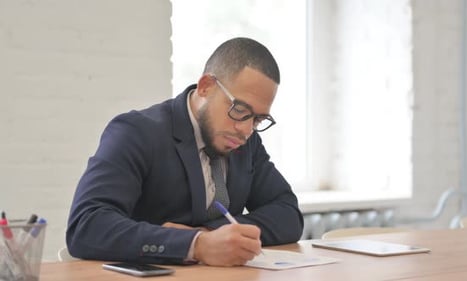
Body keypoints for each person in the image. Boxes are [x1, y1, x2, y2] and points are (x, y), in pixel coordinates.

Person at [66, 37, 304, 266]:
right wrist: (196, 245)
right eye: (239, 109)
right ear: (206, 87)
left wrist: (210, 234)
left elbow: (288, 215)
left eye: (259, 119)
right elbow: (86, 226)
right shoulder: (136, 132)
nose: (246, 130)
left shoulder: (246, 141)